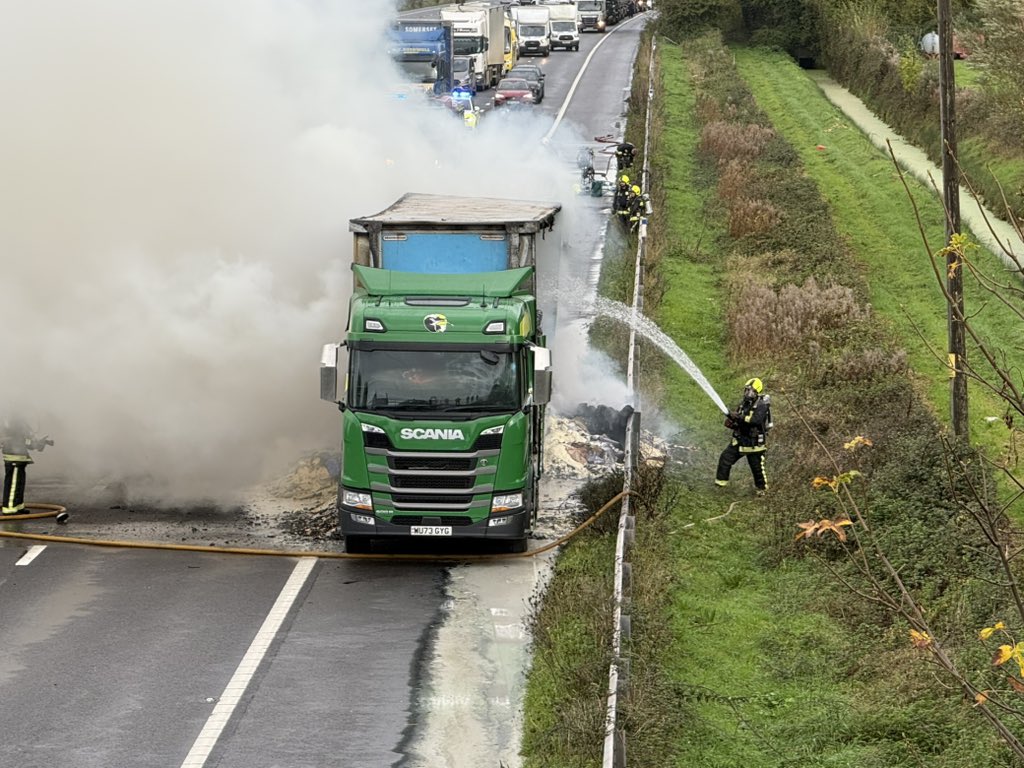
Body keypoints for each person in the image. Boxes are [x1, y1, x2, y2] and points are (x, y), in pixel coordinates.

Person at [715, 378, 772, 495]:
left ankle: (762, 490)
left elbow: (755, 420)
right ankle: (720, 485)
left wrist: (738, 418)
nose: (747, 393)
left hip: (754, 444)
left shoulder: (762, 405)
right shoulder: (744, 403)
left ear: (757, 393)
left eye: (750, 391)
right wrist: (732, 422)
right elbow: (740, 418)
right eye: (746, 390)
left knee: (757, 469)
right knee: (725, 458)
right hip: (740, 440)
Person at [1, 417, 53, 515]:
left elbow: (24, 440)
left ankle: (18, 506)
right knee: (13, 484)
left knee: (19, 483)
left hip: (19, 457)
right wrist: (36, 444)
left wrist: (39, 443)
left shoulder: (16, 421)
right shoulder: (14, 422)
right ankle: (10, 508)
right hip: (14, 458)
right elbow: (20, 440)